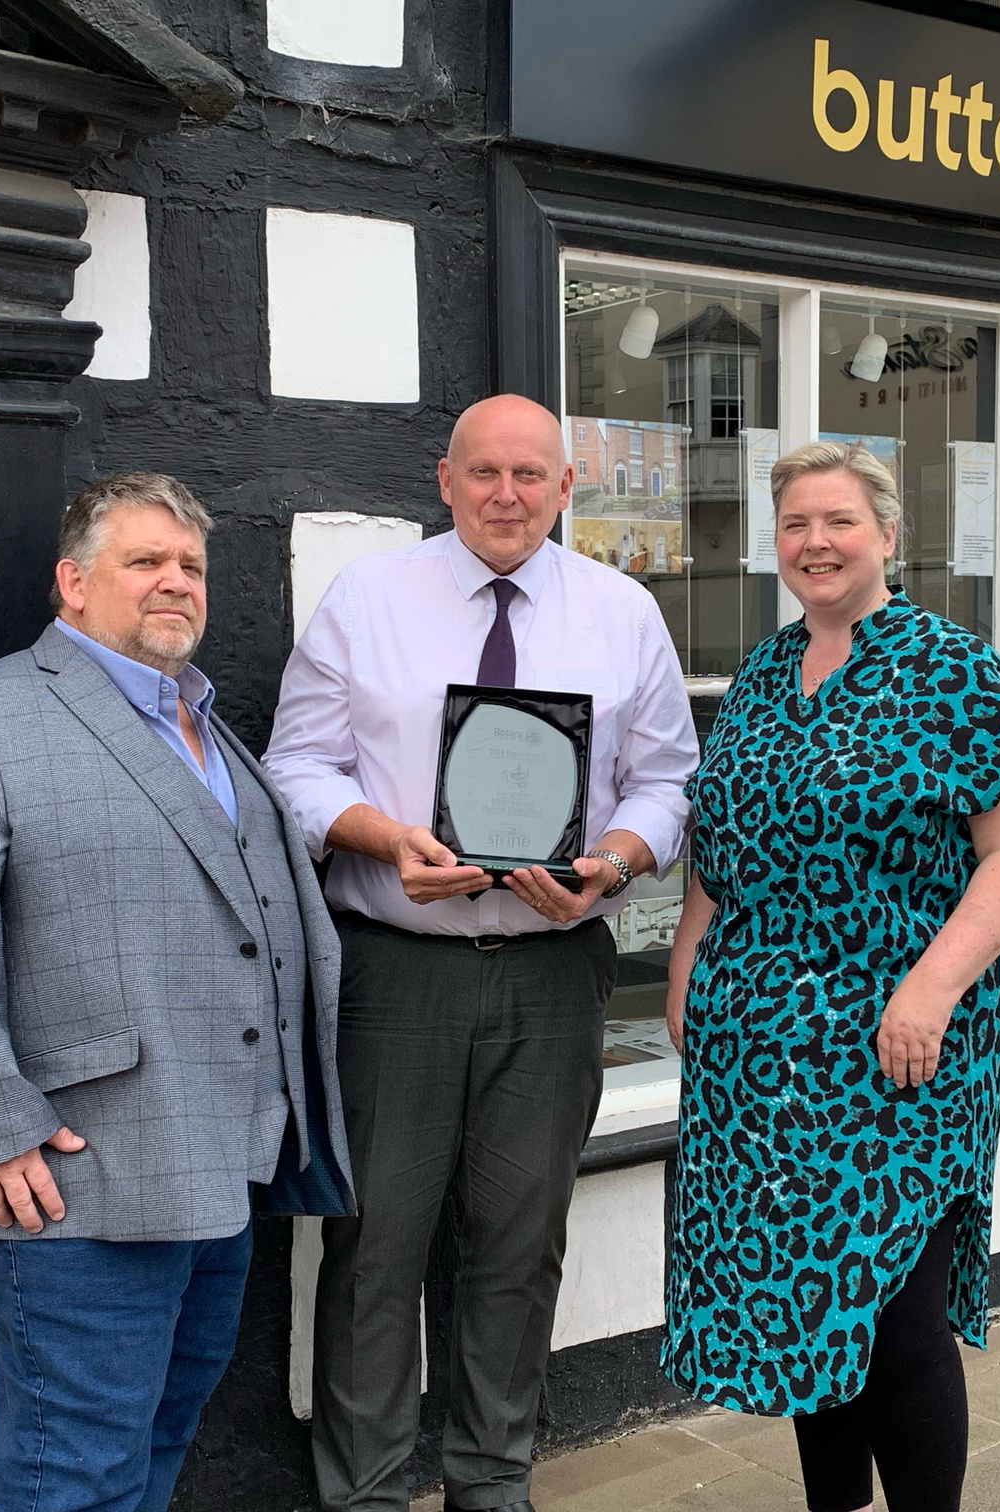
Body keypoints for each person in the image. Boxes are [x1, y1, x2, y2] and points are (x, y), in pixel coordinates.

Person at [0, 472, 353, 1512]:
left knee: (164, 1429)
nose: (174, 583)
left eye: (191, 567)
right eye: (146, 562)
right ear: (73, 583)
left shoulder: (208, 729)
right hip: (70, 1174)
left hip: (218, 1165)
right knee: (72, 1464)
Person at [265, 394, 698, 1512]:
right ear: (444, 479)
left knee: (518, 1242)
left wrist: (608, 862)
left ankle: (491, 1485)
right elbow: (296, 769)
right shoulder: (368, 600)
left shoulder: (621, 611)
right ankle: (362, 1495)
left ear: (566, 487)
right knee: (373, 1250)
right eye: (485, 473)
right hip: (394, 971)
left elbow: (670, 781)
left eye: (531, 475)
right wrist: (382, 836)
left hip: (556, 970)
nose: (508, 495)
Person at [659, 441, 1000, 1512]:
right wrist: (688, 960)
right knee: (804, 1293)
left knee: (895, 1311)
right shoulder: (760, 674)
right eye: (794, 524)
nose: (815, 542)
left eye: (837, 521)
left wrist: (929, 989)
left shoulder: (952, 668)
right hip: (762, 1053)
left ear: (887, 536)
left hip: (900, 1044)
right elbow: (727, 841)